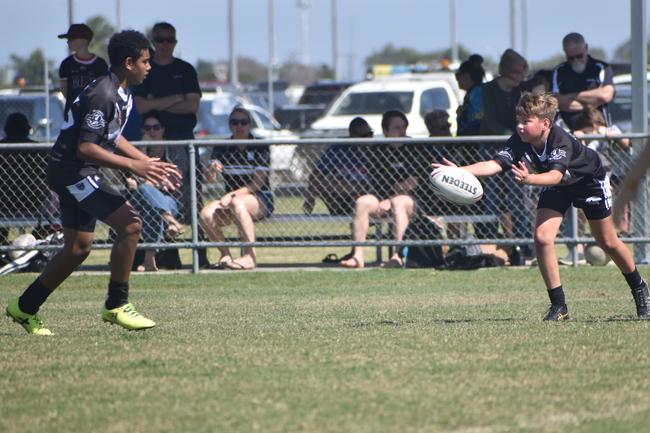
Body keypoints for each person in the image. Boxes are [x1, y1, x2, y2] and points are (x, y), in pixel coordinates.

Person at [4, 30, 182, 335]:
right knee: (130, 224)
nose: (149, 66)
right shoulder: (104, 94)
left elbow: (112, 136)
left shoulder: (121, 91)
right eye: (145, 61)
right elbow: (85, 147)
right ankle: (116, 304)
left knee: (77, 249)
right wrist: (133, 164)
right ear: (129, 63)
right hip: (74, 172)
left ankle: (25, 307)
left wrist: (144, 162)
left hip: (78, 172)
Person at [433, 92, 649, 321]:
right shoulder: (520, 139)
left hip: (589, 183)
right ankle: (559, 306)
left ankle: (640, 289)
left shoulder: (560, 139)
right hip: (556, 185)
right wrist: (460, 171)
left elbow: (555, 175)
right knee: (543, 238)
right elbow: (494, 164)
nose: (520, 126)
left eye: (526, 121)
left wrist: (529, 179)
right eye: (518, 120)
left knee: (607, 242)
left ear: (545, 123)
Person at [132, 21, 208, 267]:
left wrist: (157, 102)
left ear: (175, 42)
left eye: (169, 39)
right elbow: (141, 106)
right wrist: (175, 98)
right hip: (152, 143)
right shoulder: (146, 69)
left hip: (182, 143)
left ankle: (200, 254)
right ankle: (166, 255)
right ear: (153, 41)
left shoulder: (185, 70)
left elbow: (192, 105)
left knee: (191, 198)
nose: (165, 44)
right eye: (160, 39)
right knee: (152, 194)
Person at [340, 110, 430, 269]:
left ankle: (397, 256)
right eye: (397, 128)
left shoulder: (415, 149)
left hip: (411, 202)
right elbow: (378, 181)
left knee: (398, 202)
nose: (402, 131)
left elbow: (411, 184)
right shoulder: (377, 151)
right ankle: (357, 256)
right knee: (362, 202)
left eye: (403, 127)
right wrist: (388, 196)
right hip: (381, 198)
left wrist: (391, 197)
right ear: (386, 131)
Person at [199, 107, 274, 270]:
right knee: (205, 214)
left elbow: (257, 184)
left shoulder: (259, 146)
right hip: (230, 200)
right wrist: (212, 169)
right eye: (234, 122)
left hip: (260, 198)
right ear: (229, 125)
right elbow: (210, 179)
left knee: (237, 203)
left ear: (250, 125)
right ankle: (225, 254)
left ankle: (250, 256)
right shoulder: (223, 146)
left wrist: (232, 195)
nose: (239, 126)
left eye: (243, 122)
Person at [479, 48, 533, 263]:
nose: (521, 78)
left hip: (517, 150)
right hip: (492, 149)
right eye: (519, 73)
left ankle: (524, 247)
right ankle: (491, 244)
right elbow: (489, 120)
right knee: (491, 198)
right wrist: (509, 135)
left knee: (519, 198)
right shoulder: (488, 90)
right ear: (507, 72)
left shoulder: (521, 93)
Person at [126, 111, 185, 272]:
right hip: (140, 201)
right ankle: (169, 220)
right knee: (146, 191)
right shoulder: (136, 151)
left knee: (151, 204)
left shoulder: (174, 151)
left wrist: (146, 182)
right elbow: (133, 181)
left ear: (163, 129)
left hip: (170, 200)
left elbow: (175, 181)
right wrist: (143, 149)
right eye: (147, 128)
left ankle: (149, 260)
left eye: (156, 127)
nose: (152, 132)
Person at [0, 113, 54, 244]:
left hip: (4, 202)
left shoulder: (38, 150)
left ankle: (31, 244)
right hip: (34, 201)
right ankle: (38, 242)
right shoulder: (39, 150)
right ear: (27, 128)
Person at [303, 117, 372, 216]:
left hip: (364, 195)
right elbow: (317, 173)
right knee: (325, 181)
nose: (368, 139)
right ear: (353, 136)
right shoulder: (339, 149)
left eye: (370, 134)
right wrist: (310, 198)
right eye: (364, 136)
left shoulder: (375, 150)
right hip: (339, 196)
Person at [552, 32, 615, 130]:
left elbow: (606, 95)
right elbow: (556, 101)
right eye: (571, 58)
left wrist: (571, 96)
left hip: (599, 128)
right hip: (570, 131)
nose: (576, 61)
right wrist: (594, 99)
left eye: (579, 56)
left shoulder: (601, 67)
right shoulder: (559, 71)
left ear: (586, 48)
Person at [58, 23, 109, 121]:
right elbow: (64, 90)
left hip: (93, 115)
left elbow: (104, 91)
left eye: (71, 39)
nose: (68, 42)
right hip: (72, 115)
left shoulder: (100, 64)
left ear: (83, 40)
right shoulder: (67, 64)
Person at [455, 54, 485, 136]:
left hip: (475, 142)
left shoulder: (477, 94)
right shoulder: (474, 92)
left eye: (457, 75)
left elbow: (477, 120)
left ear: (466, 76)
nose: (457, 80)